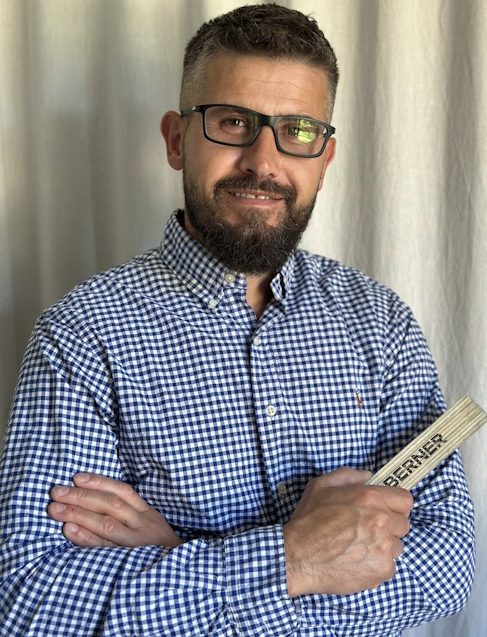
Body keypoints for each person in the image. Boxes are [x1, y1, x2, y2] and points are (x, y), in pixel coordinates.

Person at [0, 4, 475, 636]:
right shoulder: (81, 335)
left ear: (325, 157)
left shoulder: (381, 322)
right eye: (232, 122)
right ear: (177, 140)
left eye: (298, 131)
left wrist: (179, 560)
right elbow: (32, 603)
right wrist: (296, 557)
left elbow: (447, 569)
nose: (263, 161)